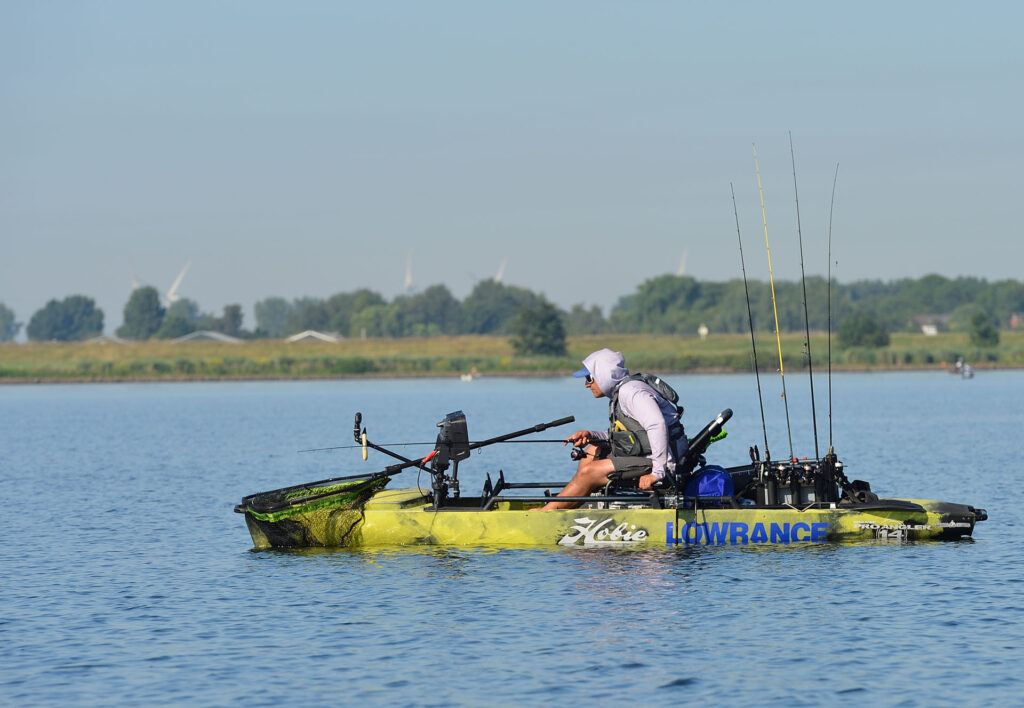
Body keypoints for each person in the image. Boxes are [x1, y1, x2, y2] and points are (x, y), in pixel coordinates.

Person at [534, 348, 687, 511]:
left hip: (664, 463)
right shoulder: (621, 394)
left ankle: (547, 513)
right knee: (591, 452)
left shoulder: (632, 393)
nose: (586, 384)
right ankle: (581, 502)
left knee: (590, 472)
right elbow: (630, 437)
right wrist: (592, 435)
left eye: (589, 378)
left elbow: (657, 425)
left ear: (603, 375)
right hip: (645, 455)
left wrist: (657, 473)